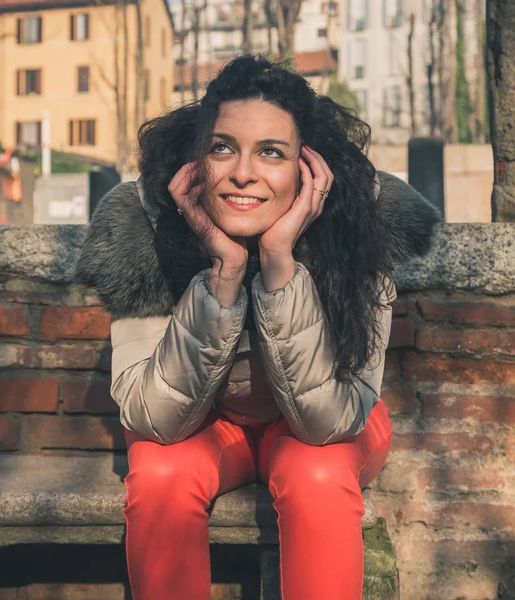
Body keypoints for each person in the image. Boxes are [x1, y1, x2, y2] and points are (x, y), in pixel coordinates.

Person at [76, 54, 439, 600]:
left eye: (271, 152)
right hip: (212, 427)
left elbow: (330, 421)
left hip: (337, 419)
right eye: (223, 147)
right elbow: (152, 417)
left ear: (307, 167)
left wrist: (278, 262)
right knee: (158, 473)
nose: (242, 172)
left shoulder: (360, 226)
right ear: (198, 158)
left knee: (314, 472)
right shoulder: (146, 227)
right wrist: (224, 272)